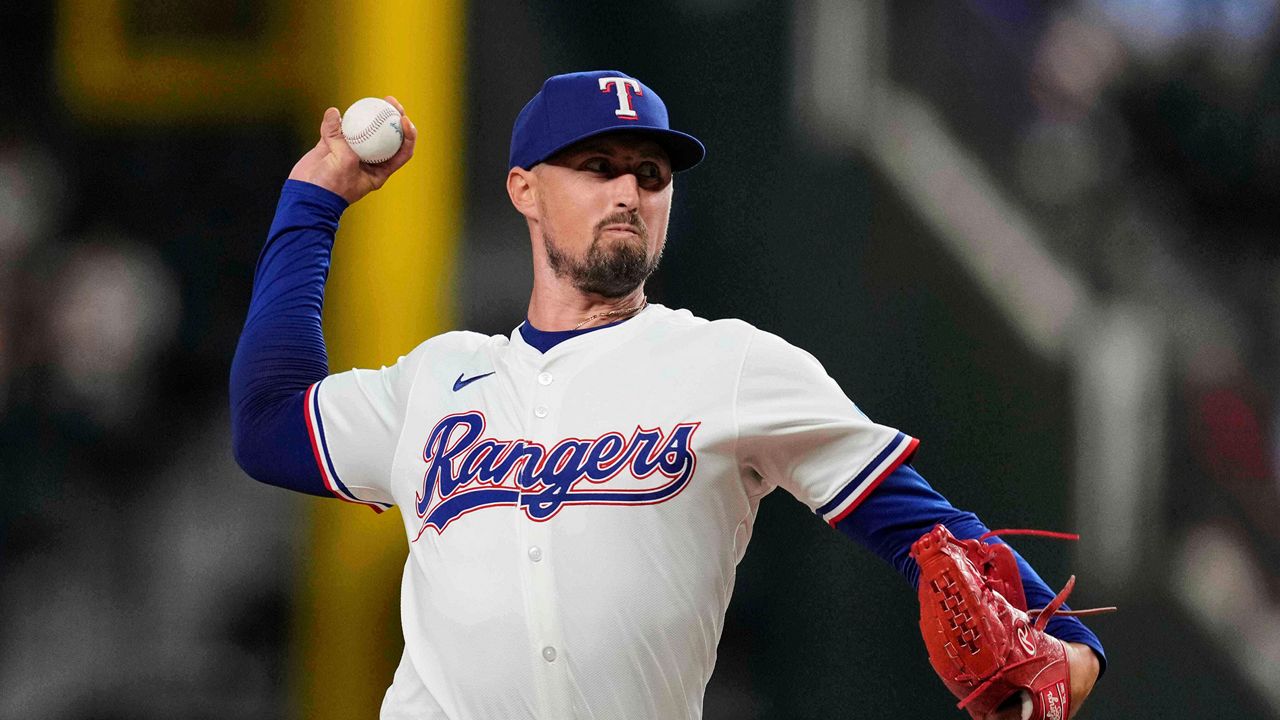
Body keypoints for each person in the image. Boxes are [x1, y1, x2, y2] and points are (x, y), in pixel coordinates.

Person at [230, 70, 1103, 720]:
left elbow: (926, 534)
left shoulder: (731, 366)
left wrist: (1074, 654)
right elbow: (268, 424)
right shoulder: (437, 379)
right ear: (524, 190)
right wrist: (311, 202)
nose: (628, 191)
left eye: (652, 174)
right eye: (597, 165)